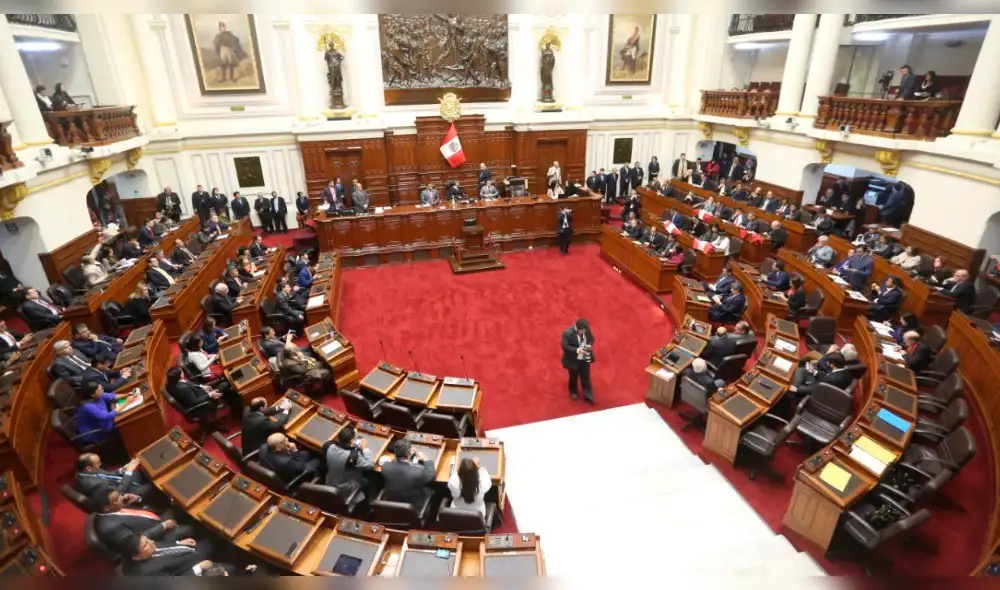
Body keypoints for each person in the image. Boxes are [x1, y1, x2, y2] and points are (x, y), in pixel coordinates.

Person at [93, 487, 195, 555]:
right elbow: (138, 543)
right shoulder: (111, 528)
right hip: (159, 537)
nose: (122, 497)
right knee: (191, 527)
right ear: (106, 508)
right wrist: (163, 526)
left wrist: (137, 499)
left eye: (120, 494)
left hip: (156, 517)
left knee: (174, 505)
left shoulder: (114, 508)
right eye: (117, 499)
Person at [121, 533, 215, 577]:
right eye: (146, 544)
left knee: (214, 538)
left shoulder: (147, 548)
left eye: (148, 539)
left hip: (189, 550)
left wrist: (179, 543)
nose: (152, 541)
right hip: (193, 565)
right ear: (136, 557)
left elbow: (162, 546)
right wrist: (199, 567)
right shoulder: (149, 573)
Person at [76, 455, 152, 504]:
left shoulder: (86, 471)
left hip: (120, 481)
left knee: (144, 467)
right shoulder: (96, 485)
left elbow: (107, 475)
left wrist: (122, 470)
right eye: (98, 463)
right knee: (153, 485)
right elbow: (118, 492)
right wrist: (129, 471)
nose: (100, 464)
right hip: (125, 493)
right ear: (88, 468)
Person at [381, 439, 436, 507]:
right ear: (409, 453)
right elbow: (430, 476)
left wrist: (407, 455)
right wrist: (426, 459)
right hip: (411, 505)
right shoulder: (418, 471)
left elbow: (396, 462)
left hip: (390, 501)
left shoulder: (385, 466)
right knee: (432, 490)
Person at [561, 319, 595, 404]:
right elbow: (565, 346)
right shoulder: (567, 333)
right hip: (573, 359)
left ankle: (588, 393)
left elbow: (591, 339)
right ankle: (573, 391)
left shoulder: (586, 330)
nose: (584, 332)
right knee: (573, 376)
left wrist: (589, 345)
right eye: (582, 330)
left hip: (584, 358)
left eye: (585, 330)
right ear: (576, 328)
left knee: (586, 376)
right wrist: (577, 350)